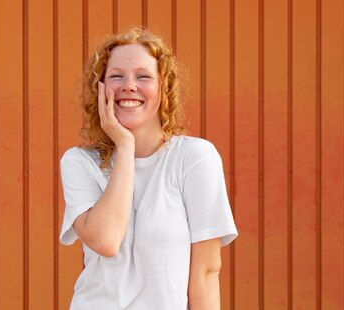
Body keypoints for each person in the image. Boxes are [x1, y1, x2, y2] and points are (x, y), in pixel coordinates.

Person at [59, 28, 237, 309]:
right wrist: (125, 147)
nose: (129, 85)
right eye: (116, 76)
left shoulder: (195, 158)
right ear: (100, 88)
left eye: (143, 76)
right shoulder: (79, 162)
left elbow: (206, 271)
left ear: (164, 88)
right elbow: (106, 240)